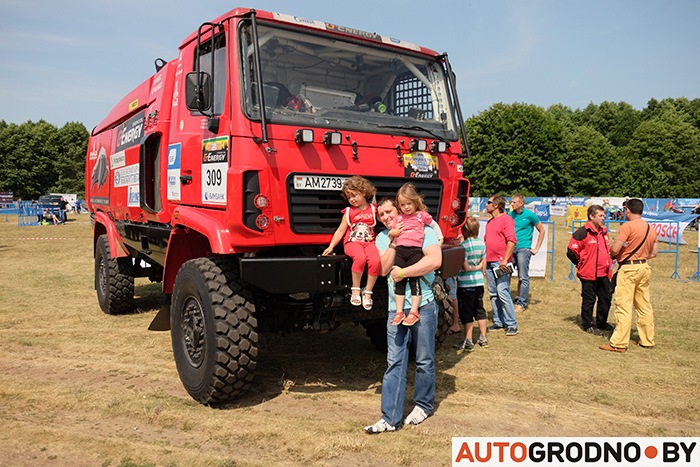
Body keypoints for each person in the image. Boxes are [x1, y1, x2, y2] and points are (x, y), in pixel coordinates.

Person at [364, 198, 441, 433]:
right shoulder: (381, 238)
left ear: (398, 211)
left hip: (424, 304)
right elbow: (385, 269)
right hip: (394, 309)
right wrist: (393, 241)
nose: (385, 217)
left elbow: (435, 260)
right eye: (381, 215)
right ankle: (390, 418)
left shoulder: (423, 230)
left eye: (389, 212)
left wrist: (405, 272)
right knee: (394, 361)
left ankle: (423, 405)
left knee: (424, 359)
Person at [600, 198, 658, 353]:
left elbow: (615, 249)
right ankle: (647, 340)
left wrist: (616, 251)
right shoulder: (650, 228)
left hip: (628, 269)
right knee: (644, 305)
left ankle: (619, 343)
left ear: (628, 210)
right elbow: (654, 252)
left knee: (623, 305)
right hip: (644, 267)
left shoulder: (627, 226)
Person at [389, 183, 443, 327]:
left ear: (415, 202)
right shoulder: (398, 218)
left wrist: (440, 237)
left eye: (409, 203)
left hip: (414, 250)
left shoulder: (421, 216)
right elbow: (392, 232)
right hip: (400, 250)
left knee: (414, 280)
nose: (406, 207)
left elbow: (434, 225)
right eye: (402, 204)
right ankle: (399, 311)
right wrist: (392, 233)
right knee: (398, 280)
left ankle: (414, 311)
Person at [323, 176, 380, 310]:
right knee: (360, 258)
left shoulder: (373, 209)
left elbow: (386, 218)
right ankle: (355, 289)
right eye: (349, 197)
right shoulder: (348, 212)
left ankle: (368, 292)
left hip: (369, 242)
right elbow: (341, 230)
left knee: (375, 261)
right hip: (352, 242)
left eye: (355, 195)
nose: (352, 199)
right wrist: (331, 246)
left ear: (364, 193)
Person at [567, 205, 614, 336]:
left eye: (604, 216)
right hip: (588, 273)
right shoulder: (582, 232)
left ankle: (602, 322)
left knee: (606, 298)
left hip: (603, 272)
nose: (603, 218)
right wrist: (581, 263)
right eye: (600, 216)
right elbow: (571, 251)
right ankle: (588, 324)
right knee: (589, 299)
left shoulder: (604, 232)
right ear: (591, 216)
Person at [484, 195, 519, 336]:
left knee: (502, 292)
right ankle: (499, 321)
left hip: (500, 263)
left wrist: (505, 260)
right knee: (493, 294)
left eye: (489, 202)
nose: (486, 205)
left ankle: (512, 324)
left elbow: (512, 240)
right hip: (489, 262)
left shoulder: (506, 220)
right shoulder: (490, 222)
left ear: (497, 205)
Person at [454, 216, 488, 351]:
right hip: (479, 282)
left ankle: (468, 340)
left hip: (465, 284)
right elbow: (484, 264)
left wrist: (475, 268)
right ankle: (483, 337)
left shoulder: (463, 246)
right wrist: (480, 267)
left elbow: (466, 267)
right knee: (479, 309)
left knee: (467, 312)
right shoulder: (482, 243)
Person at [509, 193, 545, 313]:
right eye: (512, 202)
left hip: (524, 249)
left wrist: (536, 248)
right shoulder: (510, 215)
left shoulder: (530, 215)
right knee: (506, 275)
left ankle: (521, 303)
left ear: (521, 203)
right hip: (510, 248)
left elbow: (542, 230)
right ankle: (507, 300)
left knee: (523, 277)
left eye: (514, 202)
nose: (512, 204)